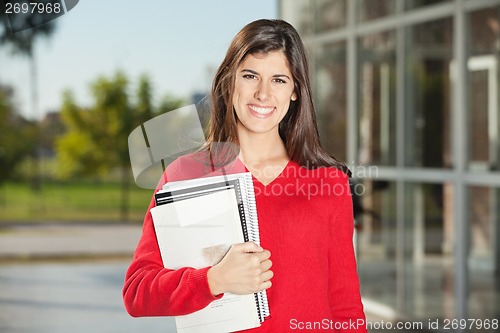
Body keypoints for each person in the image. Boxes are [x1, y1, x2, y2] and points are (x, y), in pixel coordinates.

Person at [123, 19, 367, 332]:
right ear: (230, 82)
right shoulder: (186, 176)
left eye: (279, 80)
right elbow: (137, 293)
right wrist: (213, 280)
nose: (263, 93)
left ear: (295, 92)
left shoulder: (329, 182)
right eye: (250, 76)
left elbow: (345, 306)